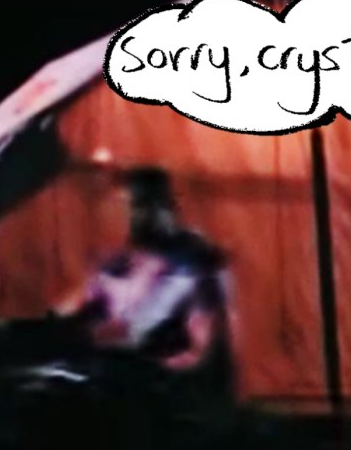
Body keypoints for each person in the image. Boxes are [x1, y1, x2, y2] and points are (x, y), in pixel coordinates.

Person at [56, 167, 233, 393]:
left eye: (133, 207)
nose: (127, 216)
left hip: (172, 383)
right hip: (139, 368)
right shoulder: (127, 260)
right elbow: (80, 305)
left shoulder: (187, 261)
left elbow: (142, 325)